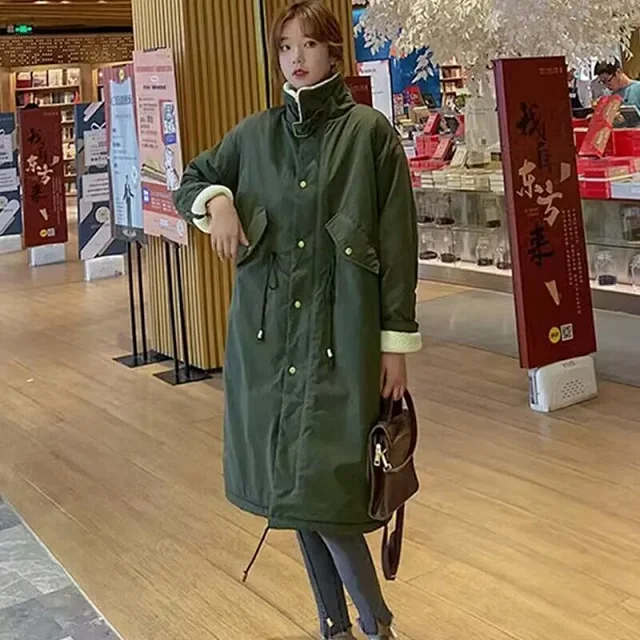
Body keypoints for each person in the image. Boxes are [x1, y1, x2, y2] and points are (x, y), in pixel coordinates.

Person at [173, 1, 421, 638]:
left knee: (327, 491)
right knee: (294, 491)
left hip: (342, 341)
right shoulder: (255, 136)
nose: (296, 58)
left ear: (333, 50)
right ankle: (336, 625)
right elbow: (192, 178)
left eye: (308, 45)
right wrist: (217, 201)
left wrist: (394, 343)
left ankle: (375, 624)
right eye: (285, 47)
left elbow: (397, 245)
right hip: (268, 345)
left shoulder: (369, 135)